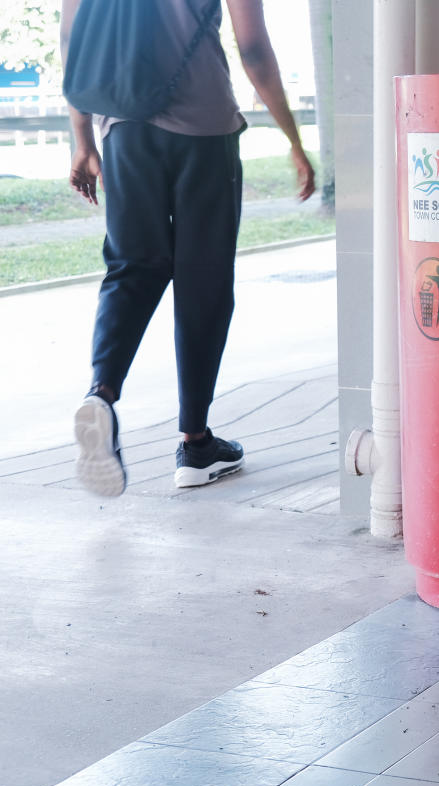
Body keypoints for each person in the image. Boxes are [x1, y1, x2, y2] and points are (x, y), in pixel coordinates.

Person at [62, 0, 315, 496]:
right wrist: (293, 138)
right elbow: (255, 49)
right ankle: (195, 444)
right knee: (205, 283)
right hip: (205, 132)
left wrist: (82, 138)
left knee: (131, 267)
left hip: (123, 126)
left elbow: (75, 45)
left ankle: (102, 394)